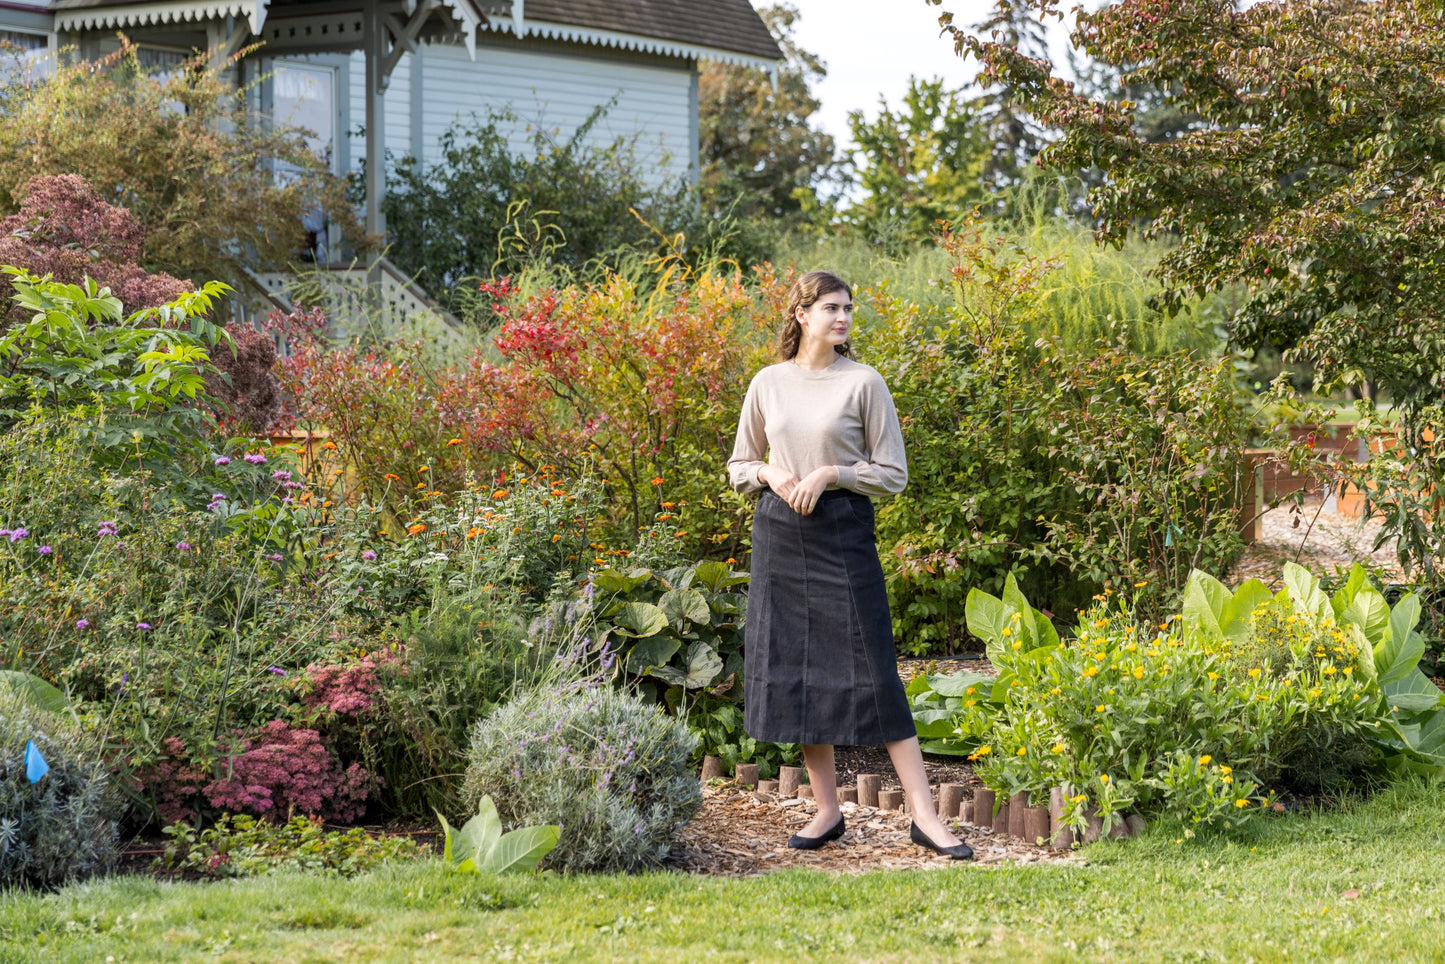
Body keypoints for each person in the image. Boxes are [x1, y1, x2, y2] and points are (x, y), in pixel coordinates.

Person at [726, 270, 973, 860]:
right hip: (781, 534)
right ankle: (828, 810)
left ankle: (925, 817)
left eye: (848, 309)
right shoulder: (768, 383)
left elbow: (892, 472)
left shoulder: (864, 382)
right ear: (801, 314)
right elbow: (740, 463)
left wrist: (830, 472)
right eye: (831, 308)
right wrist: (770, 473)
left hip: (843, 531)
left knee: (875, 671)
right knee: (800, 672)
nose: (843, 318)